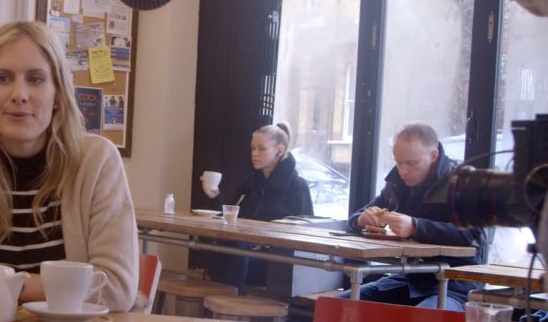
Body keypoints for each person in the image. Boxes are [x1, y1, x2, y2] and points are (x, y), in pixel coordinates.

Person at [0, 21, 138, 312]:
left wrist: (1, 284)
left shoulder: (97, 161)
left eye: (36, 79)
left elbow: (117, 288)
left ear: (58, 93)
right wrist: (58, 287)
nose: (19, 94)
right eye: (3, 78)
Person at [339, 121, 485, 310]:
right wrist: (361, 220)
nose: (403, 171)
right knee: (336, 306)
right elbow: (355, 218)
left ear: (433, 155)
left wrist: (416, 227)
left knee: (423, 319)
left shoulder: (462, 182)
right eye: (398, 162)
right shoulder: (396, 183)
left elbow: (473, 235)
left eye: (411, 163)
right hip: (408, 279)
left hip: (455, 283)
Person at [200, 122, 313, 292]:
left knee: (232, 253)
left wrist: (265, 244)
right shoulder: (249, 183)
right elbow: (229, 217)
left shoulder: (297, 186)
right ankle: (222, 306)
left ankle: (227, 306)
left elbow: (307, 233)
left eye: (261, 149)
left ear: (279, 151)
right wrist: (214, 196)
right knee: (215, 248)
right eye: (252, 148)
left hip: (276, 262)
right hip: (244, 254)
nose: (254, 154)